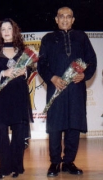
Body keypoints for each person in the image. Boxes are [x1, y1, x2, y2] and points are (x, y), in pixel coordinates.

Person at [37, 7, 97, 177]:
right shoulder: (48, 39)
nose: (65, 19)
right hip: (57, 89)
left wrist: (84, 75)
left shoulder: (81, 37)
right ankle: (55, 163)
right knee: (55, 127)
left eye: (68, 17)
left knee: (74, 126)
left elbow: (91, 60)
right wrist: (52, 78)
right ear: (56, 19)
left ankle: (69, 161)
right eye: (61, 16)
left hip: (76, 90)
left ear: (73, 19)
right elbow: (41, 64)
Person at [0, 18, 33, 179]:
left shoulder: (22, 50)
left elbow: (31, 68)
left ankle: (16, 167)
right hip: (1, 98)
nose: (6, 31)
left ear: (14, 31)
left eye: (9, 28)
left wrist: (24, 71)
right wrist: (3, 73)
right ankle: (3, 168)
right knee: (1, 134)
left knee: (19, 134)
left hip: (19, 96)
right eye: (3, 29)